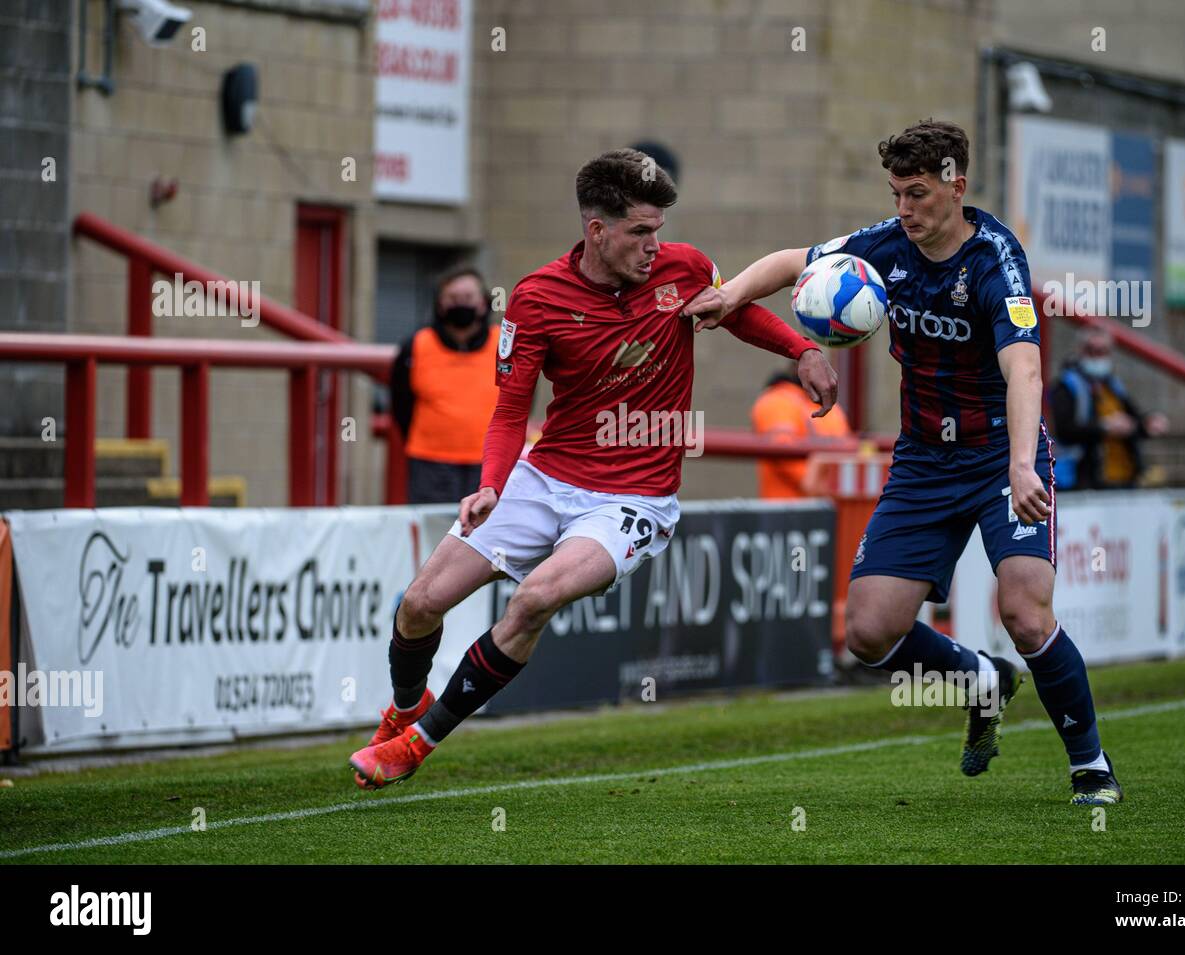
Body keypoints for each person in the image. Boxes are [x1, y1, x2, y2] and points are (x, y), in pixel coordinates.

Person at [349, 148, 837, 789]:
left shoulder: (684, 267)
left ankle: (418, 743)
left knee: (535, 599)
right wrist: (491, 484)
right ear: (596, 229)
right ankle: (405, 708)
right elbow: (508, 412)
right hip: (544, 477)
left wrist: (801, 350)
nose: (653, 246)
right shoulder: (536, 298)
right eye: (639, 232)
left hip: (632, 500)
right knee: (419, 605)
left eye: (658, 230)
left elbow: (735, 310)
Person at [685, 119, 1123, 805]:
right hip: (923, 459)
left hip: (1001, 457)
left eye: (917, 194)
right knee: (866, 631)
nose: (904, 210)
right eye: (896, 194)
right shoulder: (885, 246)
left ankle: (1090, 765)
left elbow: (1026, 373)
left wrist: (1020, 464)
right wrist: (732, 293)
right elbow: (788, 260)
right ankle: (982, 680)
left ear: (957, 185)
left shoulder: (995, 262)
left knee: (1026, 612)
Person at [389, 266, 500, 504]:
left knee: (486, 534)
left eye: (468, 298)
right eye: (452, 298)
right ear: (440, 304)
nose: (461, 304)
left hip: (489, 464)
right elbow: (400, 403)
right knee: (436, 535)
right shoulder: (416, 345)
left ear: (483, 303)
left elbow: (520, 399)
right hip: (429, 464)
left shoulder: (503, 345)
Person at [1050, 328, 1169, 490]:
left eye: (1103, 351)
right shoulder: (1066, 386)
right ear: (1081, 350)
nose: (1098, 356)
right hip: (1085, 482)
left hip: (1124, 479)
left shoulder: (1113, 386)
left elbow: (1134, 419)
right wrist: (1104, 427)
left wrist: (1148, 423)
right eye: (1092, 350)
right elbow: (1064, 430)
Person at [751, 359, 852, 498]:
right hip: (788, 512)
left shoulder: (832, 409)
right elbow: (784, 453)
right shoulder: (777, 401)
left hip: (833, 511)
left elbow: (848, 450)